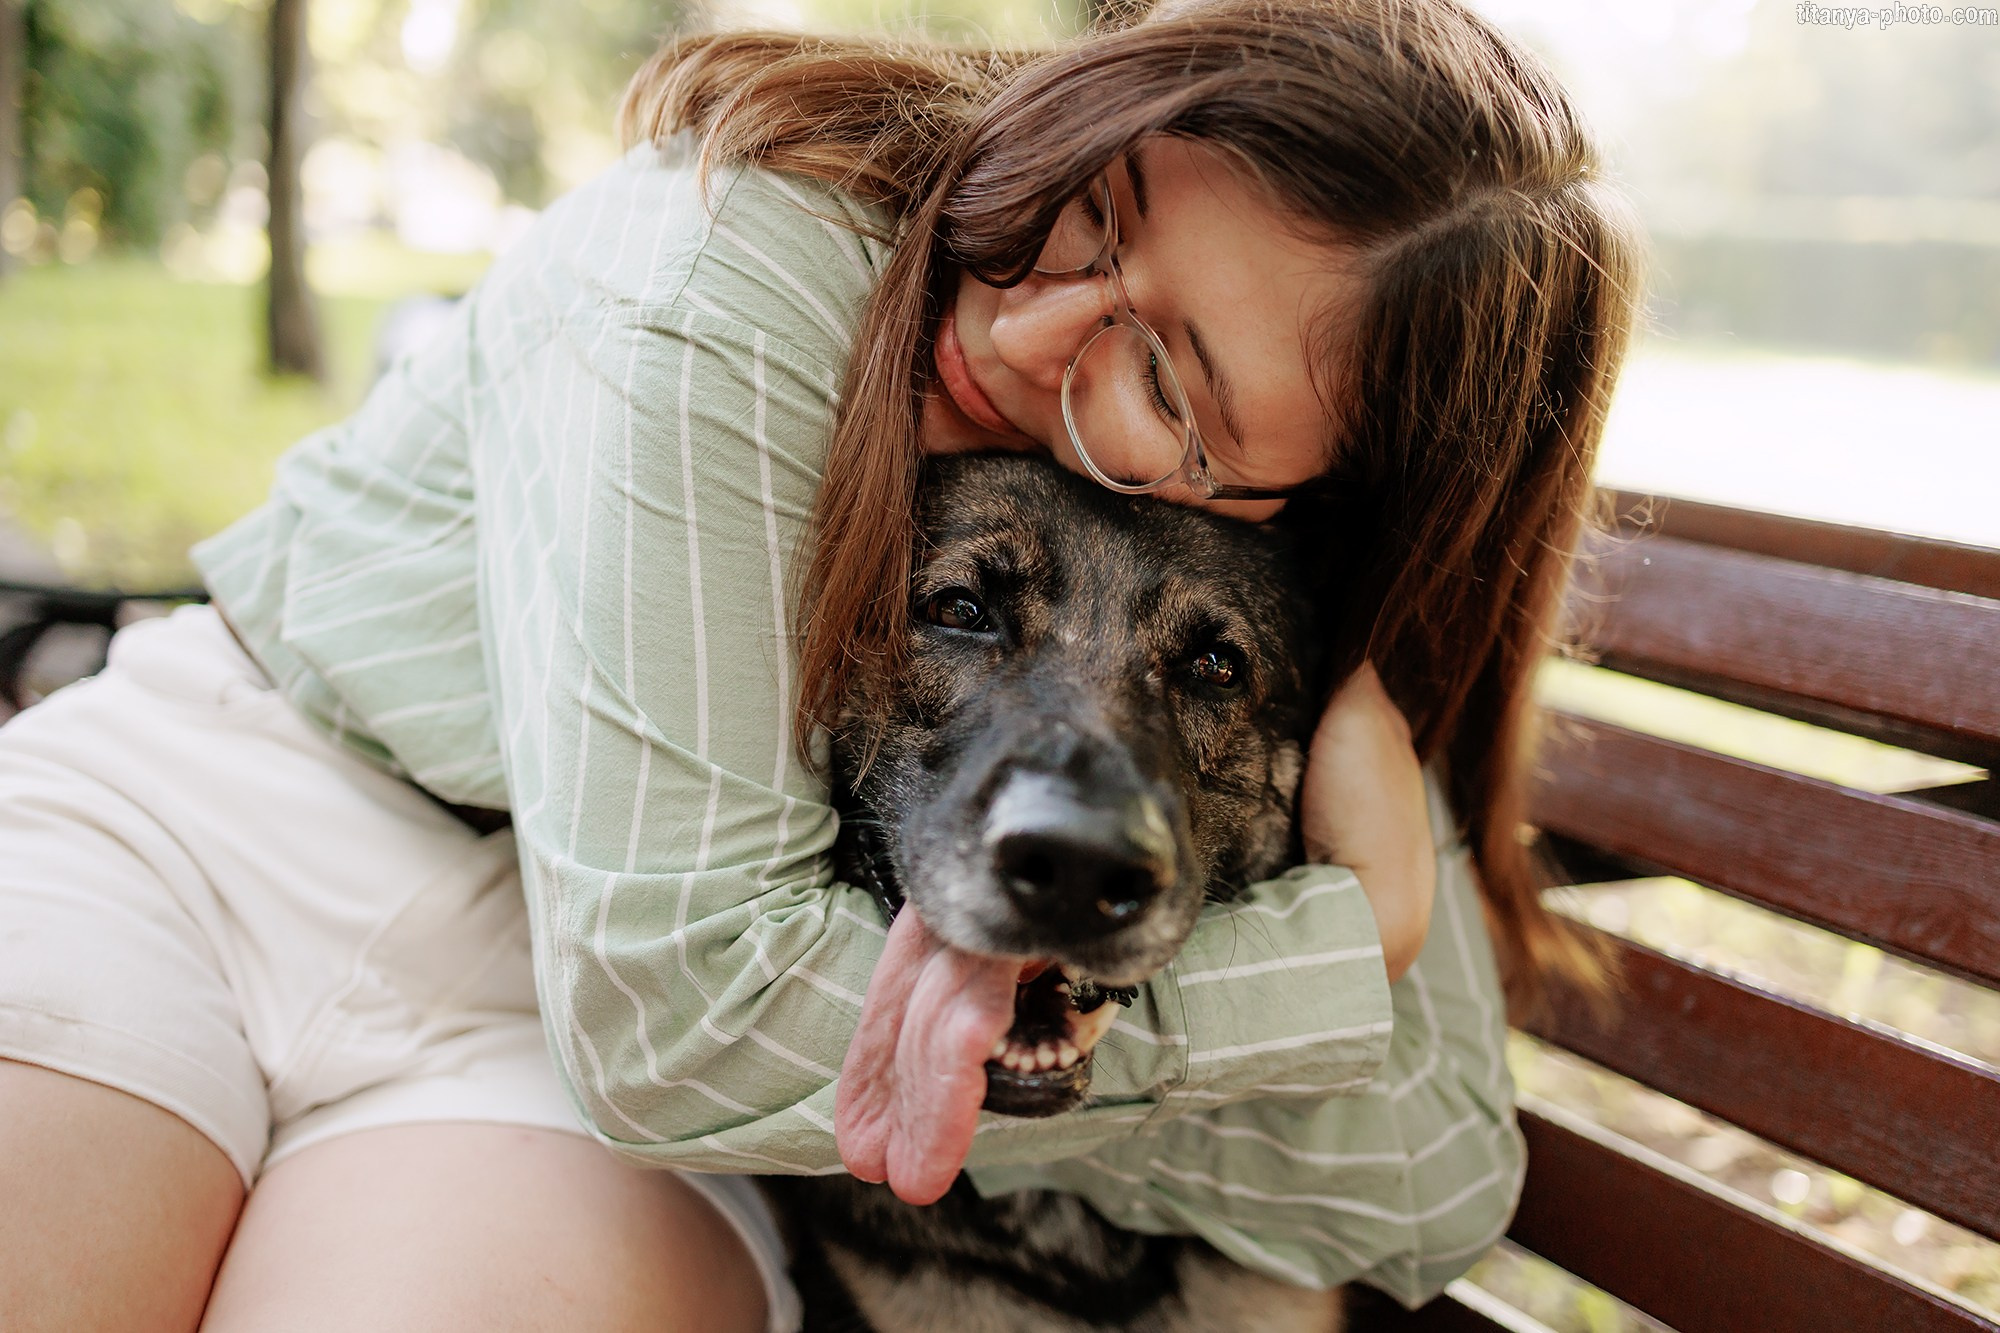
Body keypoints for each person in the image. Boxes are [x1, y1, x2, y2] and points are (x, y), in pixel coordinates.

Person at [0, 0, 1640, 1328]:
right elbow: (684, 1021)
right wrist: (1342, 948)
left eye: (1166, 380)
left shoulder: (1271, 580)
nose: (1025, 328)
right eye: (1091, 210)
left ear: (1291, 495)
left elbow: (1426, 1167)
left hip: (541, 1052)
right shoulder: (729, 272)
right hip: (212, 841)